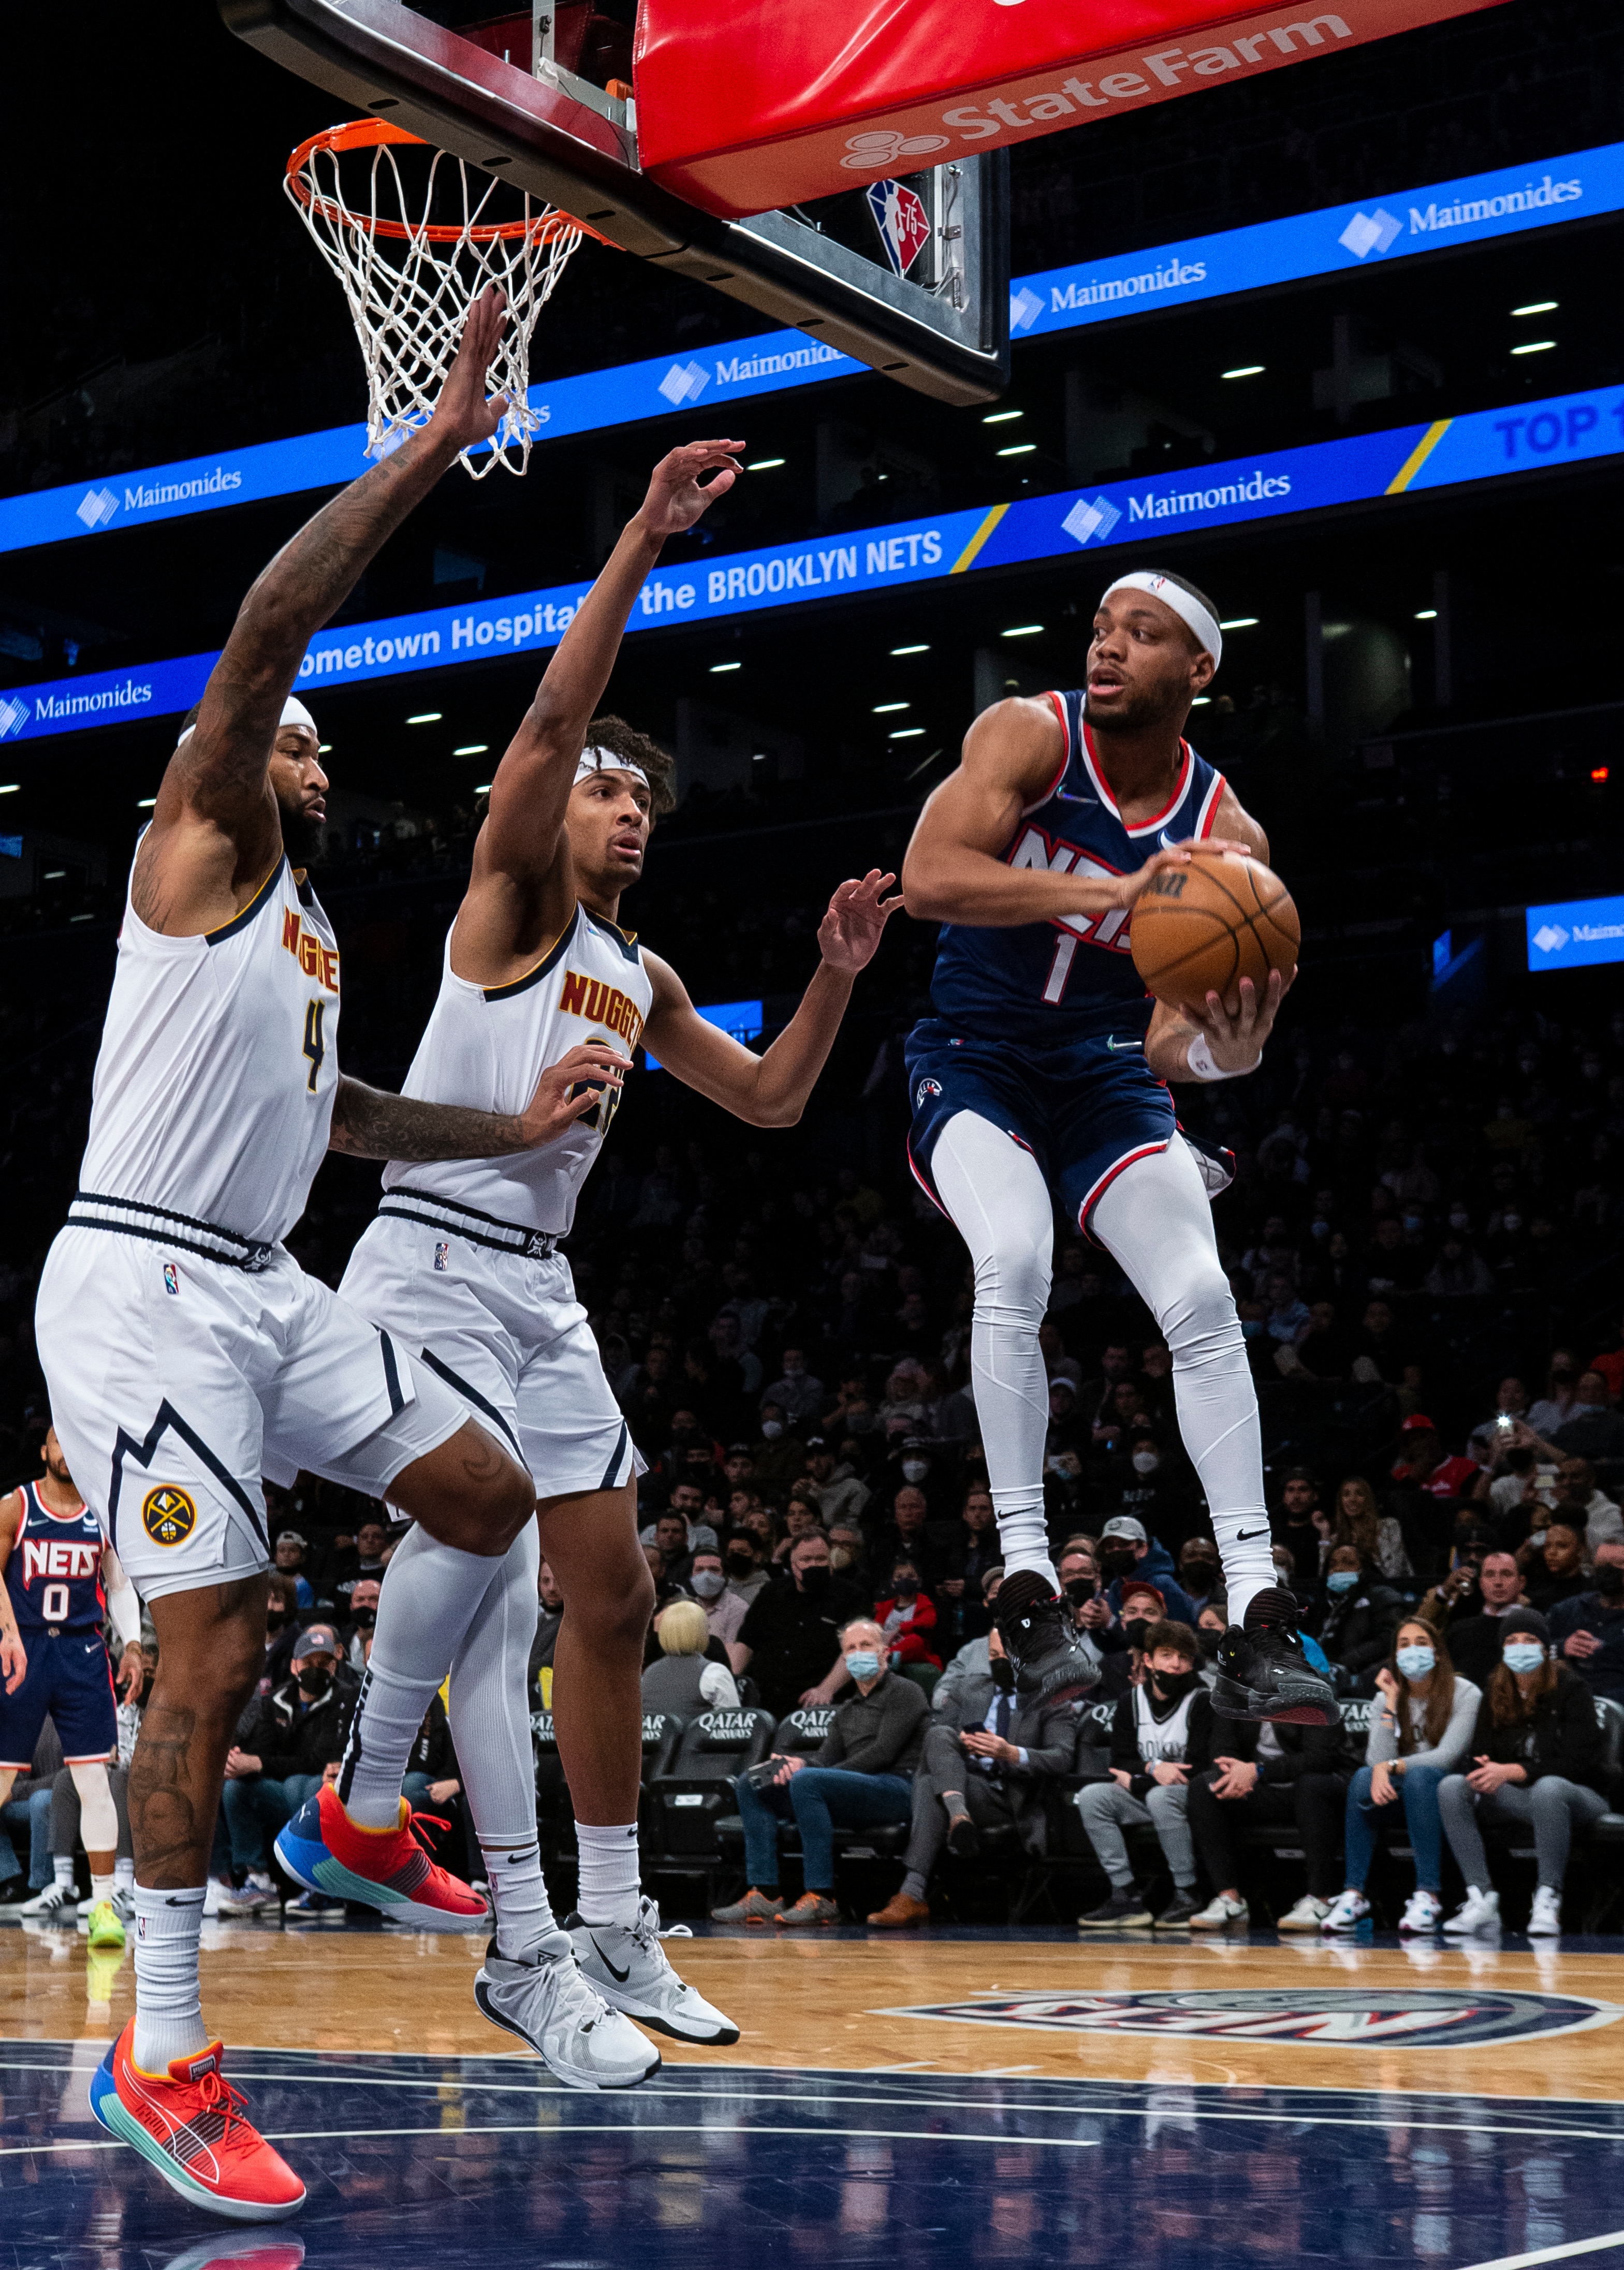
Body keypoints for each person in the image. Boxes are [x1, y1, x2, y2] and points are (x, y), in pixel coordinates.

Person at [33, 297, 620, 2220]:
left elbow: (349, 1116)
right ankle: (167, 2046)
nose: (318, 744)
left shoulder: (298, 939)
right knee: (203, 1644)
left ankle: (364, 1812)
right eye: (295, 734)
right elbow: (271, 629)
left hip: (270, 1278)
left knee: (488, 1497)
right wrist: (435, 439)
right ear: (233, 750)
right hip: (141, 1281)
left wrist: (509, 1132)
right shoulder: (198, 831)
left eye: (313, 743)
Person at [308, 437, 902, 2073]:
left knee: (616, 1594)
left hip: (542, 1289)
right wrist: (641, 534)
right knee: (494, 1572)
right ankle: (368, 1809)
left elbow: (775, 1102)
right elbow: (554, 719)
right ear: (556, 808)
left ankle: (622, 1923)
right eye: (608, 790)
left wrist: (836, 972)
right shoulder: (505, 907)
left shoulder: (636, 977)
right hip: (429, 1255)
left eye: (648, 796)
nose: (630, 810)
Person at [898, 570, 1330, 1724]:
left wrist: (1227, 1055)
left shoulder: (1229, 836)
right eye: (1097, 629)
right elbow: (929, 877)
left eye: (1138, 636)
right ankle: (1029, 1577)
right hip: (976, 1051)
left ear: (1195, 670)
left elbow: (1170, 1040)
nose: (1105, 649)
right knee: (1017, 1261)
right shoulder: (1025, 736)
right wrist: (1105, 885)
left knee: (1198, 1289)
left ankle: (1254, 1596)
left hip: (1103, 1071)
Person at [0, 1424, 144, 1954]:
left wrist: (132, 1643)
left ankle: (103, 1905)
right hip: (26, 1648)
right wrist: (8, 1632)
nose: (65, 1451)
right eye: (57, 1441)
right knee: (4, 1774)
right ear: (44, 1450)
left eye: (72, 1441)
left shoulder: (103, 1515)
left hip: (83, 1652)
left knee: (93, 1780)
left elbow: (120, 1584)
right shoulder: (17, 1506)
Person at [712, 1618, 927, 1927]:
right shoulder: (847, 1710)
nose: (858, 1653)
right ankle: (766, 1893)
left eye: (866, 1645)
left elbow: (883, 1753)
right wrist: (795, 1764)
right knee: (754, 1782)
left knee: (808, 1782)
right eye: (850, 1649)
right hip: (854, 1789)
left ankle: (821, 1896)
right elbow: (825, 1761)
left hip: (899, 1788)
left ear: (885, 1651)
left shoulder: (906, 1691)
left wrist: (815, 1777)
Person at [869, 1626, 1079, 1927]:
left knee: (931, 1785)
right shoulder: (969, 1689)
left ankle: (912, 1893)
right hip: (965, 1782)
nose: (1000, 1662)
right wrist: (964, 1743)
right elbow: (936, 1742)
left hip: (1009, 1796)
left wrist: (1010, 1753)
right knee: (940, 1736)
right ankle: (956, 1820)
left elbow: (1062, 1757)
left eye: (1009, 1656)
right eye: (994, 1655)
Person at [1439, 1608, 1610, 1937]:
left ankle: (1548, 1898)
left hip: (1578, 1796)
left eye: (1529, 1640)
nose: (1520, 1647)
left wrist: (1513, 1770)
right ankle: (1481, 1899)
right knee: (1452, 1787)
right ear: (1503, 1649)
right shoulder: (1496, 1687)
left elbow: (1580, 1762)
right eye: (1512, 1640)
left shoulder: (1572, 1688)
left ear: (1545, 1648)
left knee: (1549, 1788)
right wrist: (1485, 1768)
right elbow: (1479, 1753)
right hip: (1519, 1797)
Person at [1321, 1620, 1481, 1938]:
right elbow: (1374, 1762)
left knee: (1421, 1776)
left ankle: (1429, 1896)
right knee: (1362, 1778)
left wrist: (1390, 1767)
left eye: (1421, 1642)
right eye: (1404, 1644)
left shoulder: (1465, 1693)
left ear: (1437, 1653)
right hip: (1403, 1794)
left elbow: (1446, 1757)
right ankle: (1354, 1894)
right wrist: (1391, 1703)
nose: (1413, 1650)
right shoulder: (1386, 1697)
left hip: (1452, 1793)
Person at [1076, 1621, 1213, 1929]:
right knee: (1093, 1796)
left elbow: (1198, 1768)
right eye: (1167, 1655)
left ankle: (1187, 1893)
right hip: (1148, 1792)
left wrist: (1139, 1777)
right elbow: (1119, 1761)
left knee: (1162, 1795)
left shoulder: (1203, 1701)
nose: (1176, 1665)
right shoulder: (1130, 1702)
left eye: (1184, 1657)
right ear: (1148, 1660)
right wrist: (1152, 1768)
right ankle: (1125, 1895)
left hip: (1190, 1798)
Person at [218, 1624, 358, 1914]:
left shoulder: (347, 1699)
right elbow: (261, 1749)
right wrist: (239, 1760)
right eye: (309, 1663)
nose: (316, 1669)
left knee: (302, 1785)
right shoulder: (276, 1701)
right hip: (285, 1787)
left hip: (322, 1789)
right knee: (235, 1789)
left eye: (325, 1663)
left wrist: (259, 1763)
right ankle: (259, 1881)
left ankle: (322, 1886)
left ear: (336, 1665)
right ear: (295, 1665)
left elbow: (321, 1760)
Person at [1186, 1708, 1350, 1930]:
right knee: (1204, 1787)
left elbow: (1320, 1759)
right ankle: (1230, 1900)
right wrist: (1232, 1773)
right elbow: (1222, 1749)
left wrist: (1259, 1770)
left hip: (1310, 1791)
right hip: (1259, 1789)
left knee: (1311, 1787)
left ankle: (1321, 1899)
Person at [734, 1532, 868, 1716]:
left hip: (817, 1701)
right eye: (806, 1559)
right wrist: (732, 1680)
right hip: (763, 1697)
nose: (814, 1564)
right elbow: (746, 1642)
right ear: (793, 1563)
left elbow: (856, 1650)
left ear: (831, 1560)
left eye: (821, 1558)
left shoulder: (852, 1596)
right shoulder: (771, 1592)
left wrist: (826, 1689)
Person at [1309, 1545, 1401, 1695]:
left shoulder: (1382, 1596)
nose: (1339, 1568)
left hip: (1367, 1678)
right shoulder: (1321, 1605)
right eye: (1333, 1565)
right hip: (1325, 1678)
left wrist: (1344, 1663)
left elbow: (1388, 1639)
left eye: (1349, 1563)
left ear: (1364, 1569)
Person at [1549, 1541, 1624, 1707]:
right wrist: (1562, 1647)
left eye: (1617, 1565)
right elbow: (1535, 1647)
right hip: (1565, 1704)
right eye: (1602, 1565)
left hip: (1615, 1707)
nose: (1608, 1571)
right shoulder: (1567, 1610)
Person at [640, 1600, 740, 1715]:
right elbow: (732, 1723)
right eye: (707, 1628)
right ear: (701, 1632)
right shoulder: (714, 1673)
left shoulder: (649, 1674)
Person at [1327, 1475, 1412, 1581]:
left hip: (1389, 1588)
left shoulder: (1389, 1526)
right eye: (1346, 1495)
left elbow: (1395, 1571)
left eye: (1360, 1494)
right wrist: (1324, 1533)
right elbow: (1326, 1578)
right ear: (1341, 1502)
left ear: (1368, 1499)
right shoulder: (1336, 1539)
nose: (1352, 1499)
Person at [873, 1559, 942, 1669]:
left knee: (916, 1640)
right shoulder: (885, 1607)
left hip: (911, 1649)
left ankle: (884, 1659)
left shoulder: (925, 1604)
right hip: (885, 1645)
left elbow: (929, 1621)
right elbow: (877, 1627)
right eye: (899, 1577)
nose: (905, 1580)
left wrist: (900, 1628)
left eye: (911, 1576)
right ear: (893, 1583)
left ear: (919, 1581)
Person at [1524, 1523, 1590, 1617]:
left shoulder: (1592, 1593)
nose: (1552, 1552)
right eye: (1547, 1546)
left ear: (1580, 1550)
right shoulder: (1534, 1592)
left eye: (1562, 1546)